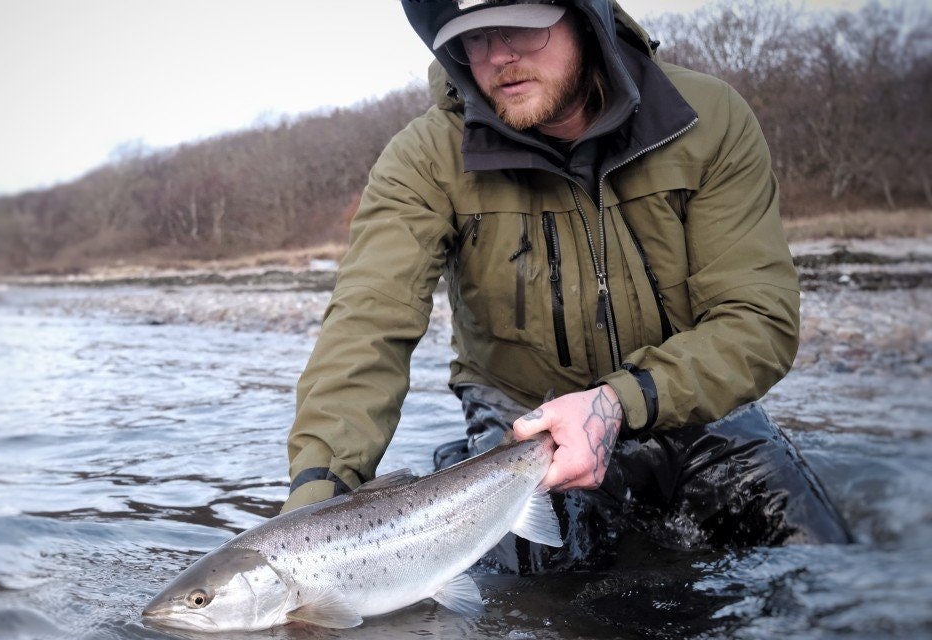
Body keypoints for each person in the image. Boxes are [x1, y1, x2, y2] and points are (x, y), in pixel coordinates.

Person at [282, 0, 849, 572]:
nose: (500, 55)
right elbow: (366, 327)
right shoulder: (424, 158)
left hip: (687, 405)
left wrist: (616, 402)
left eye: (524, 28)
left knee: (821, 571)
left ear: (584, 17)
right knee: (541, 617)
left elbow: (757, 320)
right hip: (518, 430)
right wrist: (307, 523)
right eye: (474, 39)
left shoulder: (706, 117)